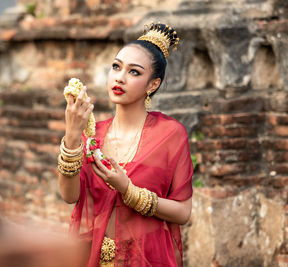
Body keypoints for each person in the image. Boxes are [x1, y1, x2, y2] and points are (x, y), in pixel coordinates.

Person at [57, 22, 193, 267]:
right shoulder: (93, 135)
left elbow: (183, 212)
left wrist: (128, 191)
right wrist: (72, 136)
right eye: (116, 67)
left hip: (148, 257)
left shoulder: (171, 134)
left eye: (134, 72)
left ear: (153, 85)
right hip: (96, 255)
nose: (119, 77)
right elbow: (69, 196)